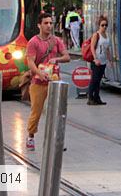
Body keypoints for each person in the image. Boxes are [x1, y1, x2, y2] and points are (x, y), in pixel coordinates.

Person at [26, 12, 70, 151]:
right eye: (46, 23)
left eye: (50, 23)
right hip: (38, 83)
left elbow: (67, 56)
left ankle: (57, 139)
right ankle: (31, 136)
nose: (49, 26)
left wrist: (56, 59)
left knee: (57, 111)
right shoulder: (33, 42)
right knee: (36, 112)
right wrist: (39, 73)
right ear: (39, 25)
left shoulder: (56, 40)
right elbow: (30, 62)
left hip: (54, 81)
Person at [87, 15, 111, 106]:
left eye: (106, 25)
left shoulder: (106, 35)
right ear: (99, 25)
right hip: (96, 61)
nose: (104, 27)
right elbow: (92, 47)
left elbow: (107, 48)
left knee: (99, 80)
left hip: (103, 61)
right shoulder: (96, 35)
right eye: (102, 25)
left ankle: (97, 97)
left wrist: (109, 59)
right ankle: (90, 98)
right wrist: (95, 58)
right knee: (94, 79)